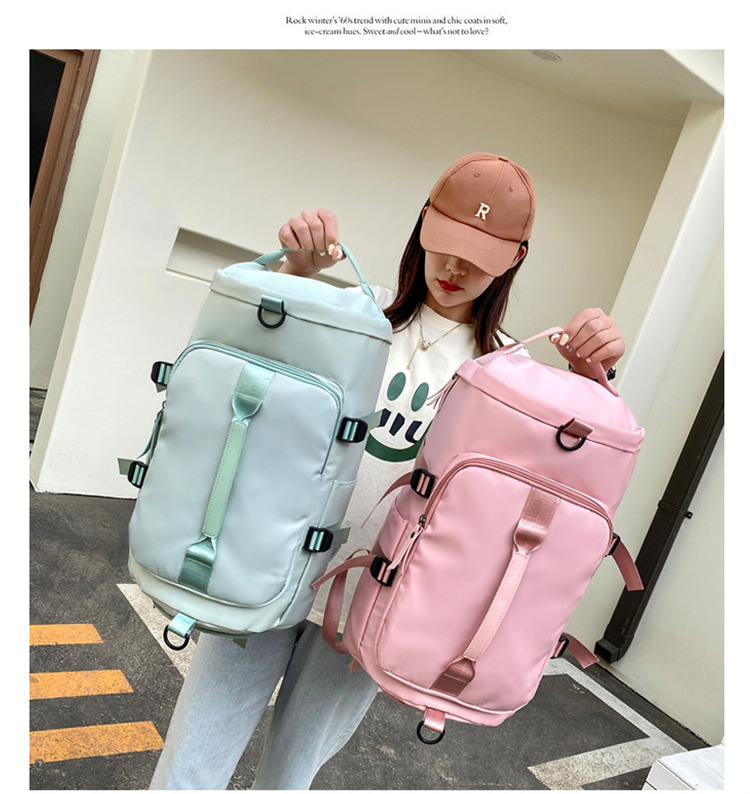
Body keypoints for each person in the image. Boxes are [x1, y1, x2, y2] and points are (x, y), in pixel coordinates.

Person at [149, 153, 625, 790]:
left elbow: (554, 474)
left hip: (376, 600)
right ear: (424, 224)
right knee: (193, 759)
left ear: (514, 258)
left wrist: (592, 379)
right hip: (269, 561)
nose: (455, 268)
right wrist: (296, 272)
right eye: (447, 243)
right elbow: (259, 360)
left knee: (291, 775)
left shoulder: (510, 374)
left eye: (481, 256)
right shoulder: (355, 312)